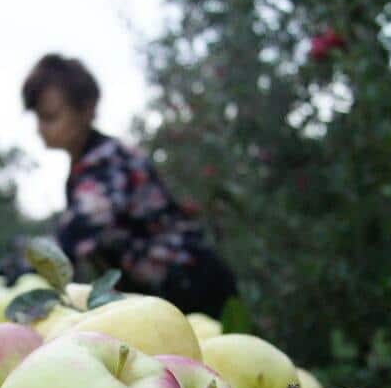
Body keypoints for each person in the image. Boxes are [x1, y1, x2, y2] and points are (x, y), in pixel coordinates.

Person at [21, 53, 238, 318]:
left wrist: (23, 278)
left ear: (86, 109)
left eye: (50, 117)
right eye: (38, 118)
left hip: (192, 288)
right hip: (164, 298)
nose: (41, 128)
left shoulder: (107, 163)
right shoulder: (89, 165)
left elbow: (74, 235)